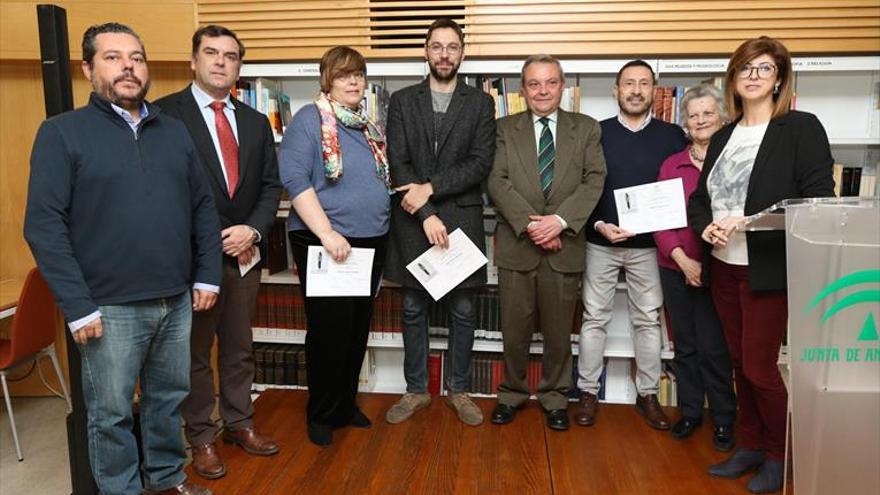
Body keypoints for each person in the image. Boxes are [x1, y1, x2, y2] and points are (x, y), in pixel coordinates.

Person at [24, 23, 221, 495]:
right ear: (89, 69)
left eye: (136, 57)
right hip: (106, 308)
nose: (128, 66)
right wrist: (77, 306)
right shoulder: (61, 133)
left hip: (175, 300)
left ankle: (167, 479)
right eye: (113, 58)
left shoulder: (173, 132)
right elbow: (44, 226)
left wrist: (208, 275)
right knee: (110, 414)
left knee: (167, 401)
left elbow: (202, 208)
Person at [689, 36, 834, 494]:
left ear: (779, 79)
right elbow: (700, 200)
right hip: (723, 265)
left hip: (767, 266)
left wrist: (749, 221)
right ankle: (750, 444)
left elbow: (817, 200)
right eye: (745, 68)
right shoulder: (724, 135)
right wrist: (707, 226)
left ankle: (778, 453)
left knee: (759, 367)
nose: (753, 75)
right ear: (733, 77)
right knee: (736, 361)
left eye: (764, 68)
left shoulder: (800, 127)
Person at [154, 25, 282, 480]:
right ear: (193, 60)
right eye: (211, 53)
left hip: (244, 255)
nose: (221, 62)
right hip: (189, 261)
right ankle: (202, 438)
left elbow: (270, 187)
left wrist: (253, 229)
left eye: (230, 56)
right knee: (192, 353)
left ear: (239, 67)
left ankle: (239, 423)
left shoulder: (252, 121)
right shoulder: (162, 115)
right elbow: (157, 191)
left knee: (239, 347)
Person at [383, 18, 496, 427]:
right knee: (413, 308)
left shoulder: (481, 103)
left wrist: (429, 189)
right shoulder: (402, 100)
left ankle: (459, 390)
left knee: (463, 310)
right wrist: (426, 210)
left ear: (462, 52)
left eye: (452, 47)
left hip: (462, 220)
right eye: (437, 46)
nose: (444, 54)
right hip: (414, 220)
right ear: (426, 51)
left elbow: (479, 163)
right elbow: (398, 162)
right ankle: (416, 391)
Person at [279, 45, 391, 447]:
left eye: (359, 74)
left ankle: (345, 405)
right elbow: (294, 179)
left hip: (369, 241)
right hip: (327, 241)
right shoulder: (310, 120)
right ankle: (321, 413)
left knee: (357, 329)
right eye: (344, 75)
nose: (354, 81)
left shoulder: (367, 124)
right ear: (327, 80)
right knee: (329, 331)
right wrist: (327, 234)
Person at [488, 54, 606, 431]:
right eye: (534, 83)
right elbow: (497, 181)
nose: (542, 90)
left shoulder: (586, 128)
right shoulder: (503, 128)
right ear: (523, 90)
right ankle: (511, 394)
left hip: (565, 246)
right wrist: (533, 226)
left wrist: (558, 223)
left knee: (559, 334)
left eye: (550, 82)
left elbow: (594, 180)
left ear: (563, 86)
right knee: (514, 330)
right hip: (516, 246)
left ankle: (556, 398)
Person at [576, 60, 687, 430]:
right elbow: (583, 186)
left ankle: (648, 395)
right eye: (628, 83)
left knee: (648, 320)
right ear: (616, 91)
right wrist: (599, 223)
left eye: (643, 83)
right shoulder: (596, 132)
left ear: (654, 91)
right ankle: (588, 391)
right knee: (594, 318)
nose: (636, 90)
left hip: (650, 247)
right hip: (600, 240)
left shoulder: (673, 136)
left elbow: (680, 191)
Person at [653, 84, 737, 451]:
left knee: (715, 349)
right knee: (685, 346)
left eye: (708, 113)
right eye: (693, 115)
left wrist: (703, 264)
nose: (701, 120)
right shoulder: (672, 164)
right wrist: (683, 260)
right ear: (684, 122)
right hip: (676, 268)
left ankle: (723, 419)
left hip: (721, 269)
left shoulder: (734, 162)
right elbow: (659, 221)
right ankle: (690, 412)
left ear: (723, 117)